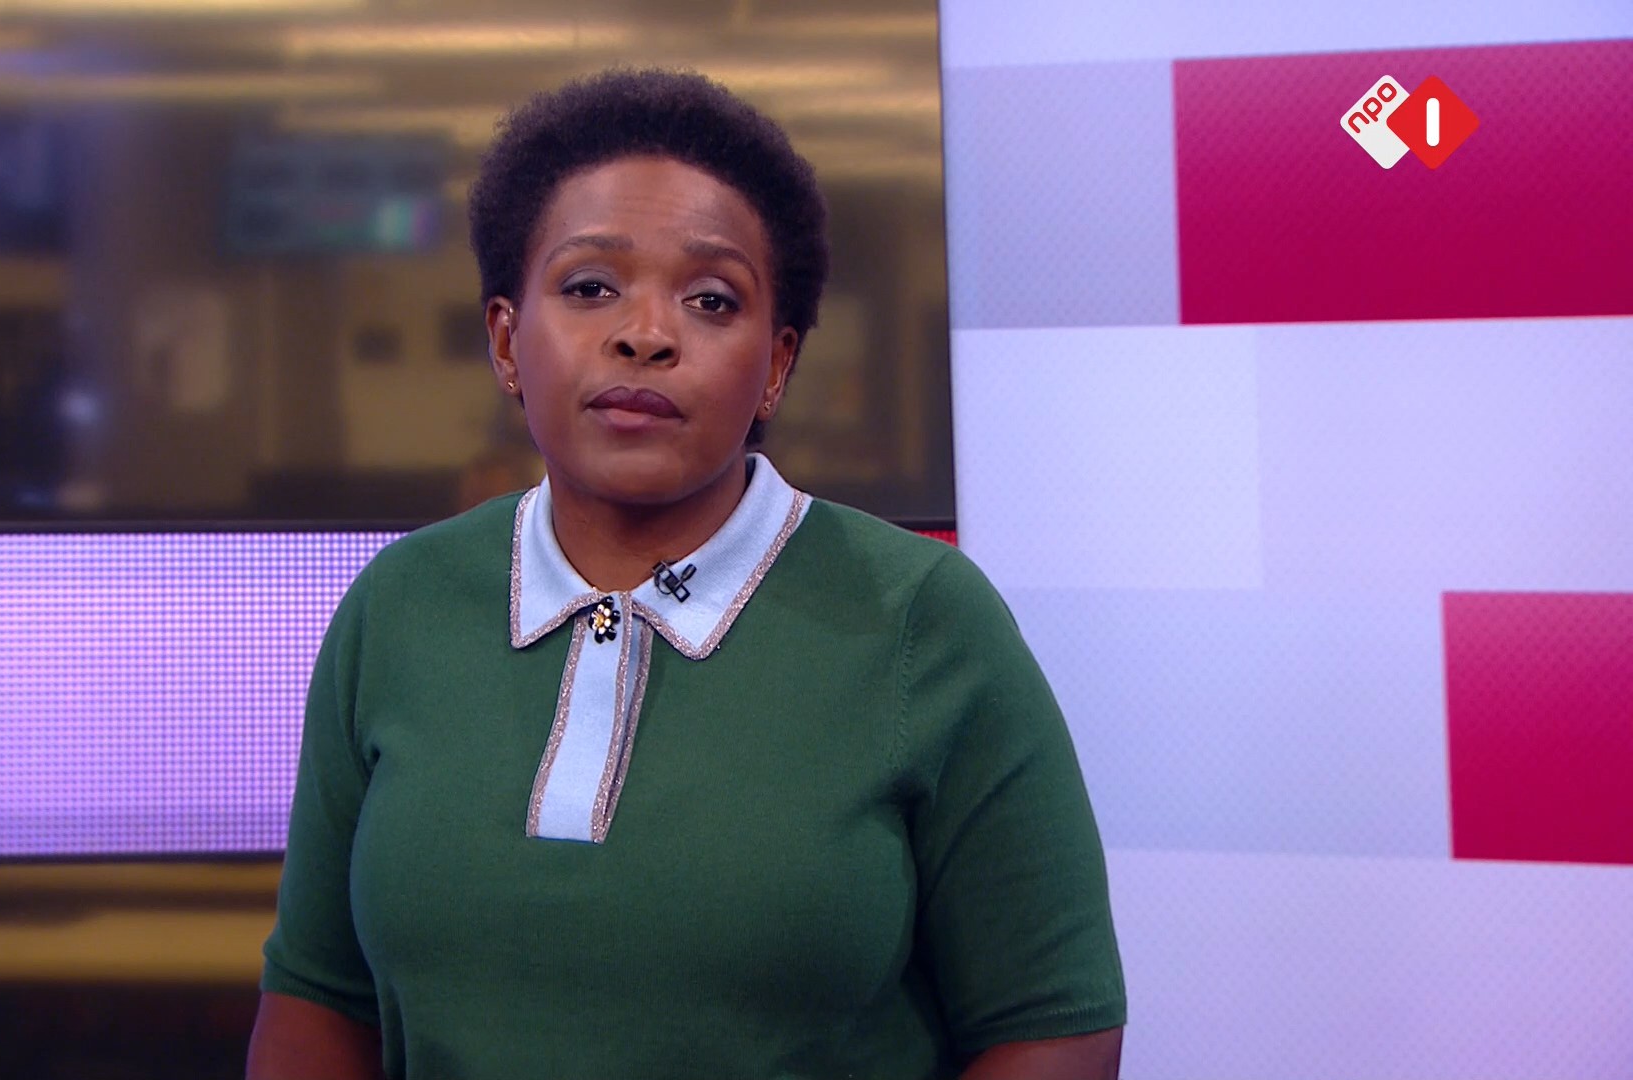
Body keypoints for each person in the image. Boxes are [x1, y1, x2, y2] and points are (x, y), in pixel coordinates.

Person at [247, 68, 1126, 1080]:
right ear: (506, 340)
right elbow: (319, 1003)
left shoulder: (923, 620)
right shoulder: (398, 605)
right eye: (589, 288)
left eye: (711, 300)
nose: (646, 334)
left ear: (777, 365)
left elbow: (1055, 1028)